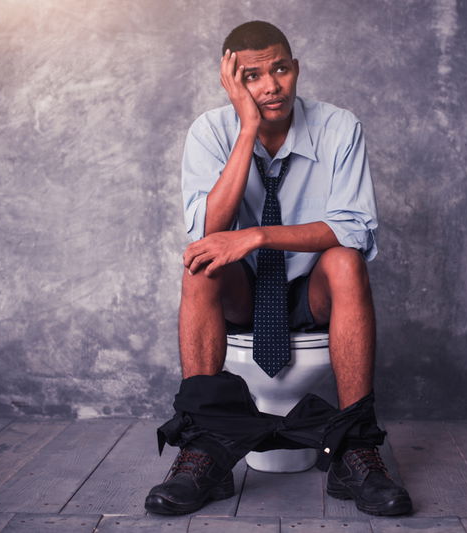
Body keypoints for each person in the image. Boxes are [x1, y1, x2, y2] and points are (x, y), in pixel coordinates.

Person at [145, 21, 412, 517]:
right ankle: (204, 448)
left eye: (281, 70)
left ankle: (355, 449)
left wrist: (260, 234)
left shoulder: (339, 127)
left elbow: (353, 227)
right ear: (232, 83)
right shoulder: (211, 131)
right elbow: (208, 230)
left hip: (314, 292)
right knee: (200, 266)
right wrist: (246, 129)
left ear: (296, 69)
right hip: (246, 293)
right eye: (252, 76)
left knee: (346, 260)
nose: (271, 86)